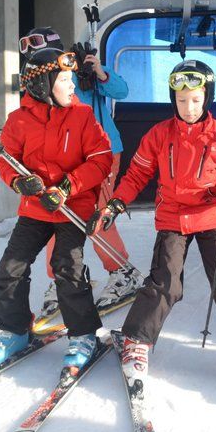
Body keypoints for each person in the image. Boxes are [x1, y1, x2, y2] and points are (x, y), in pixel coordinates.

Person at [87, 59, 216, 389]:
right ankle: (137, 341)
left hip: (212, 214)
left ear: (207, 98)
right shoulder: (159, 134)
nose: (188, 107)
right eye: (182, 100)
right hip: (173, 216)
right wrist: (117, 202)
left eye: (196, 100)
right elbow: (138, 174)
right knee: (165, 281)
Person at [0, 47, 112, 370]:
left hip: (73, 206)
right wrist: (18, 183)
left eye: (71, 79)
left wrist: (69, 187)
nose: (72, 86)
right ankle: (15, 329)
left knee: (66, 267)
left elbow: (101, 159)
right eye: (65, 79)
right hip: (36, 207)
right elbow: (6, 161)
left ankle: (83, 334)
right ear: (43, 85)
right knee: (11, 267)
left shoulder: (82, 116)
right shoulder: (19, 121)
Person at [69, 41, 140, 310]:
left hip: (104, 152)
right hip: (69, 157)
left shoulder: (88, 74)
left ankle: (122, 271)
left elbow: (121, 90)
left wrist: (99, 72)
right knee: (60, 215)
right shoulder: (55, 80)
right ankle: (63, 277)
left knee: (97, 214)